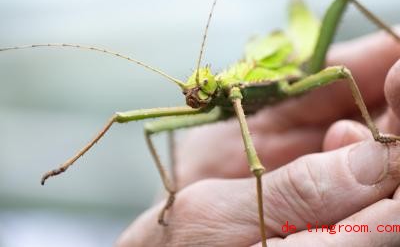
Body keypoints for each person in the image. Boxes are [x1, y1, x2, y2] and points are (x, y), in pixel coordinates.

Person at [116, 29, 400, 246]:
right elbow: (137, 124)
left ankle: (376, 132)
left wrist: (376, 136)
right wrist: (172, 194)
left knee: (340, 68)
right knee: (150, 128)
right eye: (190, 94)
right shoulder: (219, 101)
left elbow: (343, 73)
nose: (193, 98)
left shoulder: (237, 92)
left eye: (199, 90)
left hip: (287, 70)